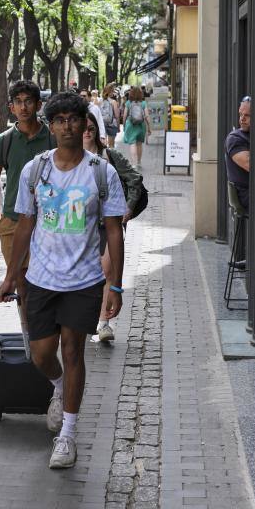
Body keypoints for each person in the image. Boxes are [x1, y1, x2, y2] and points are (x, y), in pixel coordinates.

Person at [0, 92, 126, 469]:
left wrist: (114, 285)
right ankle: (57, 387)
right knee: (41, 355)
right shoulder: (35, 170)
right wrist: (10, 275)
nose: (68, 126)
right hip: (40, 278)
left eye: (74, 119)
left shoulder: (101, 172)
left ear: (85, 124)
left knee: (73, 352)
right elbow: (25, 223)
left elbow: (114, 231)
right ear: (50, 126)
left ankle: (68, 433)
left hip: (84, 280)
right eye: (60, 120)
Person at [83, 111, 142, 342]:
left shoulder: (109, 156)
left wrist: (127, 210)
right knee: (89, 273)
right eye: (84, 128)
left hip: (109, 224)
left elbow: (135, 180)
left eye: (91, 128)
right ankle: (87, 318)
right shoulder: (69, 160)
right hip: (82, 226)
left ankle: (103, 322)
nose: (87, 132)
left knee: (107, 271)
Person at [0, 80, 54, 272]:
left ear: (39, 105)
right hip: (12, 221)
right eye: (18, 101)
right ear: (11, 107)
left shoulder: (52, 138)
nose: (23, 107)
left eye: (28, 101)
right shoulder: (2, 142)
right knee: (20, 282)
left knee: (44, 282)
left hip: (47, 221)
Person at [224, 96, 250, 212]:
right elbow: (252, 165)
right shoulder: (235, 138)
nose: (242, 119)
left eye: (247, 115)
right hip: (246, 195)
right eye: (240, 114)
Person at [122, 85, 151, 168]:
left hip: (130, 125)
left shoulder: (128, 103)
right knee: (139, 144)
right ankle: (138, 162)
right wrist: (149, 127)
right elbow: (147, 116)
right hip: (141, 125)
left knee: (132, 144)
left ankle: (133, 164)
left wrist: (124, 125)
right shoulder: (143, 103)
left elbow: (124, 116)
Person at [100, 84, 121, 148]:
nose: (113, 93)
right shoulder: (113, 102)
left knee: (103, 144)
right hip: (112, 124)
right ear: (110, 92)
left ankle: (104, 157)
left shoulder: (99, 101)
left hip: (102, 124)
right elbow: (117, 116)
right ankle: (110, 157)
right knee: (111, 145)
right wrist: (118, 126)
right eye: (112, 91)